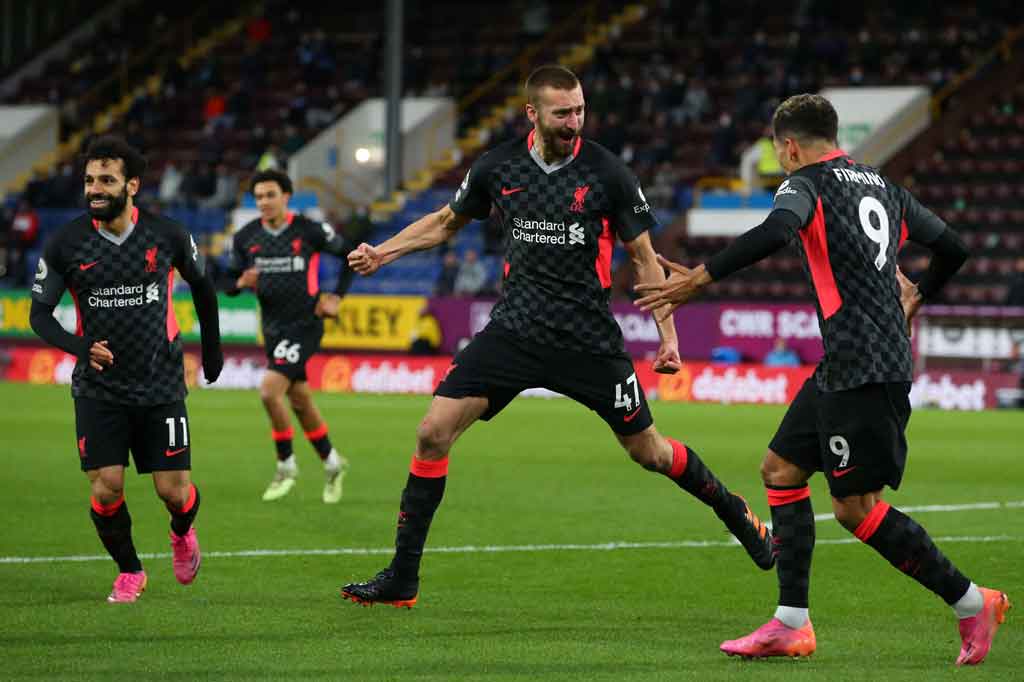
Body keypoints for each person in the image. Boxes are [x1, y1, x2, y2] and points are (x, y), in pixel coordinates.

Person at [340, 65, 774, 609]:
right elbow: (446, 222)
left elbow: (644, 259)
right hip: (514, 332)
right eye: (563, 113)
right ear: (533, 113)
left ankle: (735, 512)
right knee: (433, 432)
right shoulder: (498, 167)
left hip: (588, 342)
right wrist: (385, 251)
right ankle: (403, 578)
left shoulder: (607, 174)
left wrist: (668, 337)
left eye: (580, 110)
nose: (575, 122)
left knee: (652, 453)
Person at [635, 94, 1009, 666]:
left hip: (864, 366)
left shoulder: (803, 182)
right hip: (850, 361)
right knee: (780, 470)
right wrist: (919, 294)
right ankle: (791, 623)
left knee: (855, 508)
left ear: (788, 146)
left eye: (779, 152)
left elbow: (778, 230)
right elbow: (952, 247)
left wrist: (699, 281)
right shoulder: (882, 185)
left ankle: (970, 601)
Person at [29, 135, 224, 603]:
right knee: (107, 486)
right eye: (90, 180)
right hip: (99, 389)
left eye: (106, 180)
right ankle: (130, 570)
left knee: (175, 494)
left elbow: (204, 286)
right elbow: (39, 315)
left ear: (132, 185)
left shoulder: (168, 234)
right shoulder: (65, 244)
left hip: (161, 383)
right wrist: (80, 347)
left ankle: (181, 534)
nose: (95, 188)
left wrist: (212, 352)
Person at [223, 169, 354, 503]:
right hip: (272, 329)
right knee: (299, 400)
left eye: (271, 195)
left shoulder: (309, 230)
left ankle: (286, 465)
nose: (265, 202)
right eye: (259, 197)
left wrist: (336, 296)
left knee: (269, 392)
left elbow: (350, 257)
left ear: (286, 197)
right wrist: (240, 284)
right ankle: (332, 463)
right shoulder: (246, 237)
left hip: (305, 324)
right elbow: (227, 281)